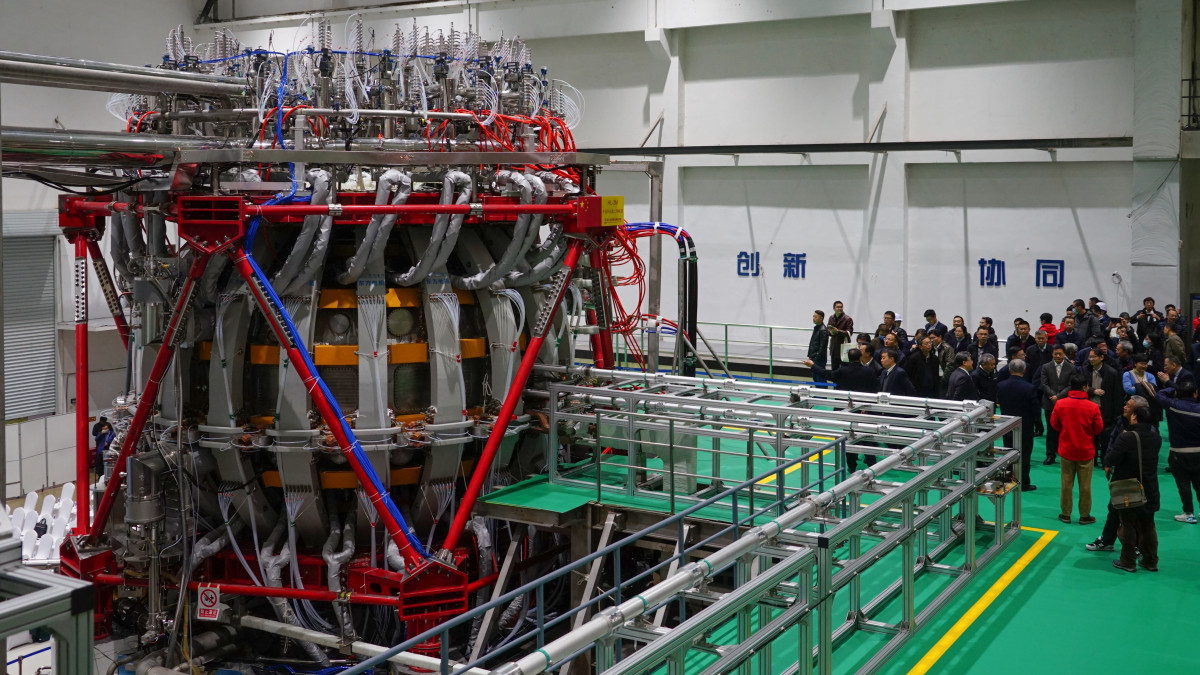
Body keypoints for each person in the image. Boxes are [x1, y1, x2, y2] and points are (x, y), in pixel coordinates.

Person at [1085, 395, 1150, 553]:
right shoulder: (1121, 421)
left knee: (1133, 511)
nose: (1124, 408)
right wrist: (1108, 463)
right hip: (1121, 475)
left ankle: (1134, 545)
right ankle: (1109, 540)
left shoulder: (1147, 432)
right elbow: (1113, 442)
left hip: (1136, 478)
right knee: (1114, 507)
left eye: (1128, 406)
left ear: (1136, 413)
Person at [1107, 402, 1162, 572]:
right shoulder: (1156, 437)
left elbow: (1111, 458)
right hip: (1150, 486)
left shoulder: (1127, 437)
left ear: (1135, 417)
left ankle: (1128, 561)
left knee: (1128, 524)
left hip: (1130, 488)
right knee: (1148, 524)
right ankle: (1151, 560)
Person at [1051, 373, 1104, 524]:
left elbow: (1054, 424)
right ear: (1085, 387)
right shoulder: (1093, 407)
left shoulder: (1060, 404)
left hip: (1067, 450)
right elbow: (1098, 428)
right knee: (1085, 485)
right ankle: (1084, 515)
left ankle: (1066, 514)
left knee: (1066, 484)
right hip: (1085, 451)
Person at [1155, 380, 1200, 524]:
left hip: (1179, 452)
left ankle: (1188, 513)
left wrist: (1172, 388)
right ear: (1195, 394)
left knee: (1183, 484)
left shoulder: (1173, 406)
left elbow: (1159, 395)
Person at [997, 359, 1039, 490]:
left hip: (1007, 425)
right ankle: (1024, 482)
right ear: (1024, 371)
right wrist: (1038, 425)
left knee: (1008, 453)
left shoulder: (1000, 386)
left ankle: (1007, 480)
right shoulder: (1030, 388)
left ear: (1010, 370)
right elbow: (1035, 409)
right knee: (1025, 456)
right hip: (1025, 427)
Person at [1085, 346, 1123, 467]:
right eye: (1090, 356)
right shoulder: (1085, 370)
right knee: (1091, 438)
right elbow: (1082, 387)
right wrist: (1093, 391)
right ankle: (1093, 459)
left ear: (1101, 357)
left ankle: (1105, 461)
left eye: (1093, 357)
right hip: (1089, 408)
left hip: (1105, 410)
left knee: (1106, 438)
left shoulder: (1112, 373)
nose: (1091, 359)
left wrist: (1116, 415)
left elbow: (1117, 395)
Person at [1040, 345, 1076, 465]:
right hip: (1050, 403)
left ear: (1064, 353)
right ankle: (1050, 455)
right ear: (1052, 354)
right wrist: (1053, 397)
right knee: (1051, 430)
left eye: (1060, 353)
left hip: (1065, 403)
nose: (1058, 356)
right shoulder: (1045, 367)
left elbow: (1071, 385)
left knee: (1065, 429)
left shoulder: (1071, 368)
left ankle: (1064, 454)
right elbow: (1044, 384)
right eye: (1056, 354)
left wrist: (1059, 397)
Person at [1123, 354, 1162, 423]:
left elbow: (1154, 389)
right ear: (1135, 364)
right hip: (1133, 407)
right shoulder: (1127, 374)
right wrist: (1145, 386)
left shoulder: (1150, 376)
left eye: (1146, 364)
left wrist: (1136, 386)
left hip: (1149, 406)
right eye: (1142, 364)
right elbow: (1129, 390)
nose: (1144, 366)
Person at [827, 301, 854, 371]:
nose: (840, 308)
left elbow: (849, 332)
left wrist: (838, 331)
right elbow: (828, 330)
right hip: (833, 348)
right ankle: (835, 382)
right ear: (834, 308)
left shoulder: (848, 319)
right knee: (834, 369)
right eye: (838, 307)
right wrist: (831, 332)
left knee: (844, 370)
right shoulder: (831, 317)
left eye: (841, 307)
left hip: (844, 348)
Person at [930, 327, 956, 395]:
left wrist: (943, 379)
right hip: (934, 377)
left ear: (940, 337)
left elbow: (950, 365)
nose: (932, 340)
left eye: (933, 338)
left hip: (943, 377)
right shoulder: (931, 348)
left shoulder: (948, 348)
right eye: (930, 338)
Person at [807, 310, 830, 382]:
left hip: (818, 359)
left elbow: (823, 347)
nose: (813, 318)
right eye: (813, 316)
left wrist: (816, 357)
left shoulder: (823, 330)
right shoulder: (817, 328)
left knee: (820, 378)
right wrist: (810, 356)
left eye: (815, 317)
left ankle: (822, 393)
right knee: (816, 378)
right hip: (814, 357)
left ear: (821, 318)